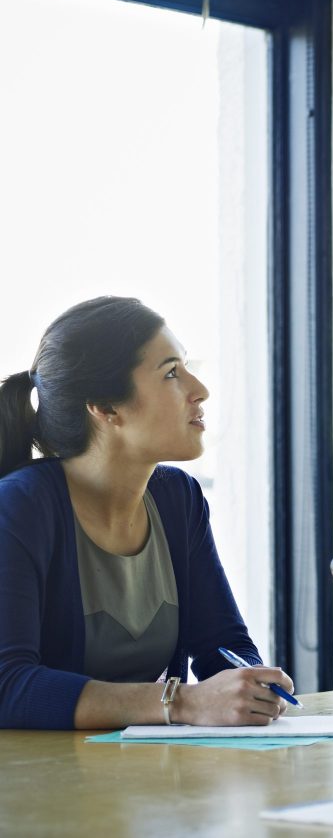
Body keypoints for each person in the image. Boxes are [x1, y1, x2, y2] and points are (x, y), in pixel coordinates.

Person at [0, 296, 294, 730]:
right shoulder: (19, 508)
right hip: (43, 772)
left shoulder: (178, 498)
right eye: (171, 373)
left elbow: (222, 643)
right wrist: (183, 703)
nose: (200, 390)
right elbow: (8, 686)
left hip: (145, 768)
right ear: (105, 407)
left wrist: (248, 685)